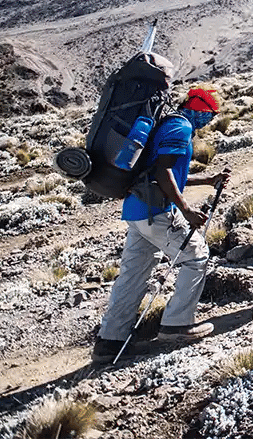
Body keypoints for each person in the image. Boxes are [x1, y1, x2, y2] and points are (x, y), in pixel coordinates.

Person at [93, 88, 229, 364]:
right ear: (199, 108)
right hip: (156, 211)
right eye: (210, 115)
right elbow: (162, 172)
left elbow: (165, 172)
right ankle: (177, 324)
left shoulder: (166, 123)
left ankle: (109, 341)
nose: (211, 121)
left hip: (136, 210)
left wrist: (207, 180)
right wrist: (187, 210)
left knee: (132, 275)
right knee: (197, 256)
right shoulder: (180, 127)